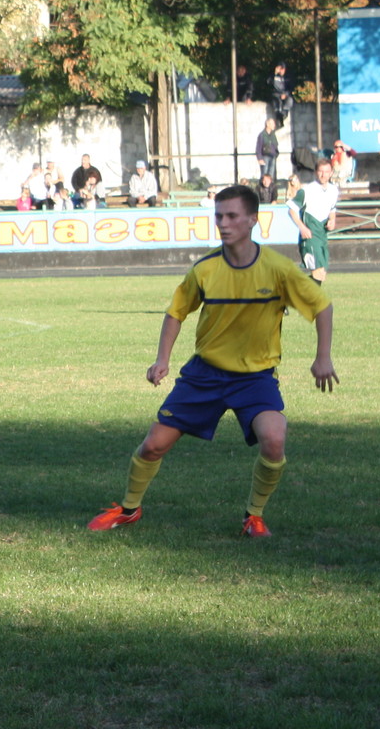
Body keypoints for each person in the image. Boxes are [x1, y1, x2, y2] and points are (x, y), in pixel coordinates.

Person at [88, 184, 334, 539]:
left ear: (253, 220)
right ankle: (128, 510)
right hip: (204, 375)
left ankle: (254, 516)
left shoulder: (278, 269)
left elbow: (322, 306)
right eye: (219, 216)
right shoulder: (205, 269)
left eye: (232, 216)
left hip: (255, 377)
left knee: (274, 438)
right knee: (154, 445)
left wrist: (322, 357)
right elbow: (176, 312)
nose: (223, 223)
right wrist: (162, 359)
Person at [289, 159, 340, 285]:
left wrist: (332, 220)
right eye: (320, 171)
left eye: (326, 172)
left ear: (331, 173)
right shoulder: (307, 190)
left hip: (322, 235)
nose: (323, 175)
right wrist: (302, 227)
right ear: (315, 172)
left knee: (321, 274)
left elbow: (332, 209)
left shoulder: (333, 190)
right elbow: (292, 210)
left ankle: (289, 289)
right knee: (318, 272)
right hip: (310, 236)